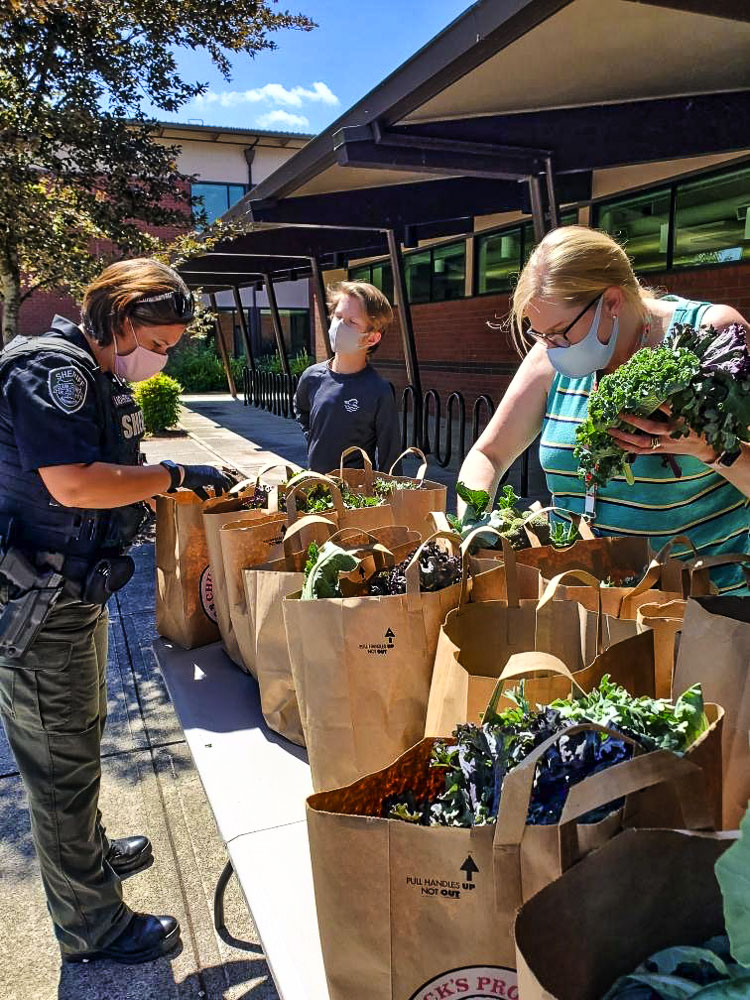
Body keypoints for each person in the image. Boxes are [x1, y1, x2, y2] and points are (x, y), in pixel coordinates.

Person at [0, 258, 235, 964]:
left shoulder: (89, 374)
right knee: (59, 765)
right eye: (158, 344)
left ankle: (89, 856)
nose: (161, 359)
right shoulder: (51, 370)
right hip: (40, 604)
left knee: (79, 737)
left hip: (72, 594)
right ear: (123, 318)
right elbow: (72, 483)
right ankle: (91, 924)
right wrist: (174, 475)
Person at [458, 226, 750, 594]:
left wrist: (712, 449)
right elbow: (490, 453)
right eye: (542, 335)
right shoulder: (550, 358)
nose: (552, 346)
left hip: (698, 611)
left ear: (612, 302)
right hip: (580, 603)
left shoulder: (714, 334)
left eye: (562, 332)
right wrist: (473, 519)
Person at [294, 280, 401, 475]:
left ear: (372, 338)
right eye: (338, 316)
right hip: (317, 486)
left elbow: (390, 455)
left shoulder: (378, 391)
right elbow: (301, 408)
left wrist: (392, 499)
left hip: (357, 495)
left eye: (352, 322)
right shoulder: (312, 377)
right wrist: (314, 438)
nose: (340, 325)